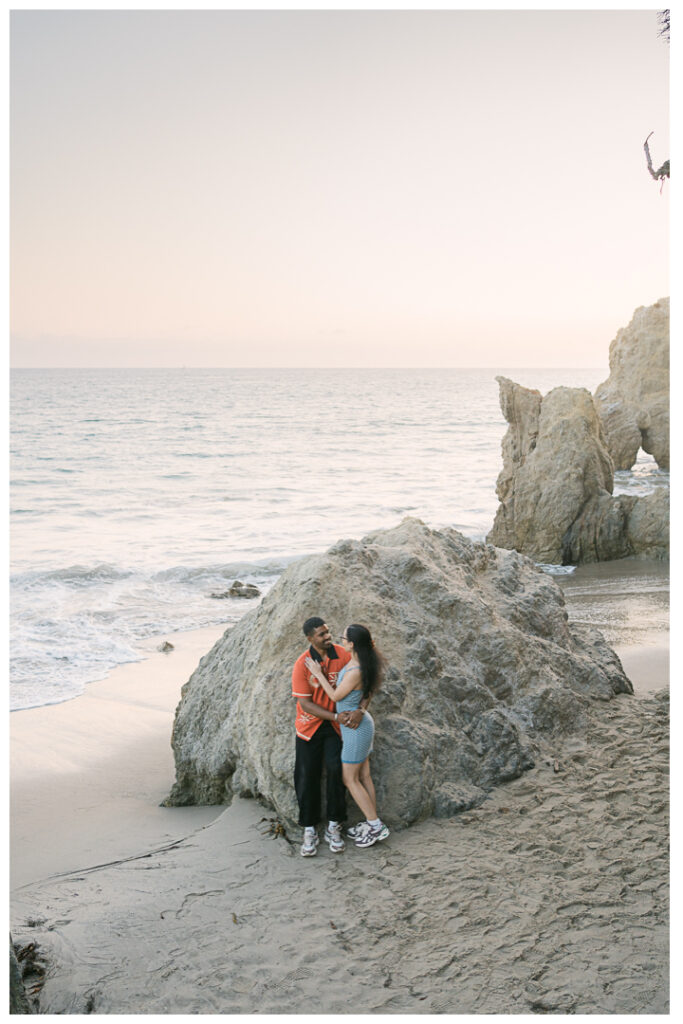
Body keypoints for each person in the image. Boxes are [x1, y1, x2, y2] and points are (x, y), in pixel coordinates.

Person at [305, 623, 389, 849]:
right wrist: (361, 709)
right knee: (364, 776)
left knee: (349, 779)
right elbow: (369, 691)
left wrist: (318, 674)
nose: (339, 640)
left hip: (354, 730)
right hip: (361, 724)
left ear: (352, 644)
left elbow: (334, 696)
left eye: (343, 638)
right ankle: (373, 822)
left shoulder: (355, 671)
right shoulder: (365, 661)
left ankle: (375, 825)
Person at [292, 617, 365, 857]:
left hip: (336, 728)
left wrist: (360, 709)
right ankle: (310, 828)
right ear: (310, 639)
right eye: (321, 634)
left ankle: (334, 824)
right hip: (310, 726)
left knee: (336, 771)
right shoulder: (302, 663)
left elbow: (368, 679)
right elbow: (305, 704)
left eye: (328, 632)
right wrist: (335, 717)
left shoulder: (343, 655)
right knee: (306, 776)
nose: (327, 637)